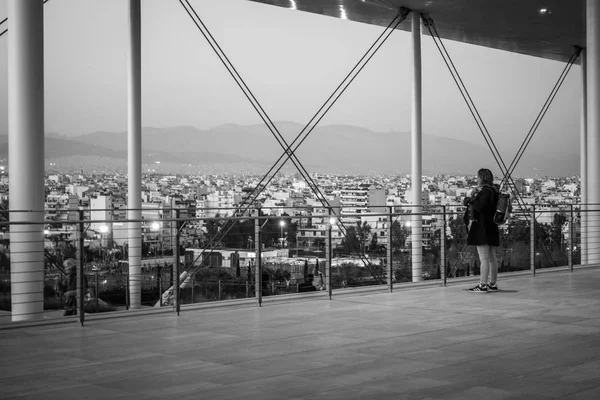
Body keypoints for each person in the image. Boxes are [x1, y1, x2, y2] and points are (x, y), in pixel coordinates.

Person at [464, 168, 500, 293]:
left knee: (484, 258)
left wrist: (469, 199)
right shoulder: (494, 190)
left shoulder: (485, 192)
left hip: (482, 227)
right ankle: (492, 283)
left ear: (482, 178)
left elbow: (479, 206)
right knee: (492, 257)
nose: (477, 179)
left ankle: (482, 285)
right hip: (492, 226)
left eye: (478, 177)